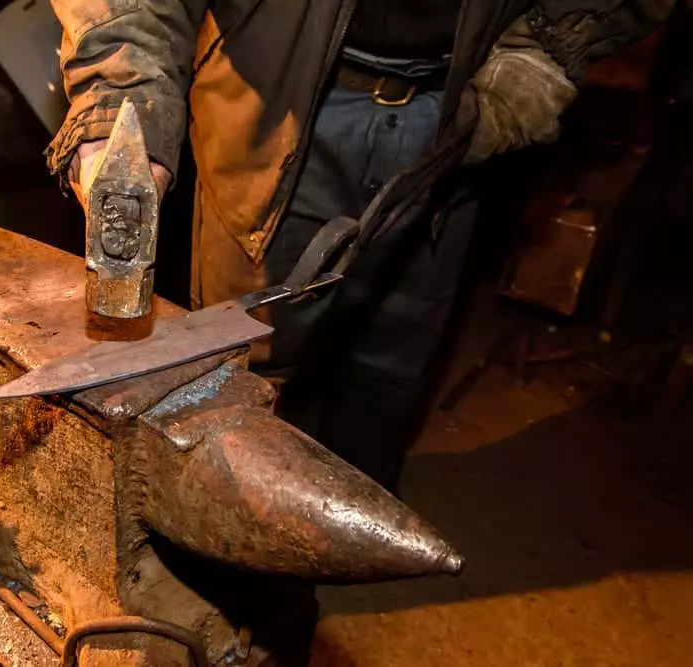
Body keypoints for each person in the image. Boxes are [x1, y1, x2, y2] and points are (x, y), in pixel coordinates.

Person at [46, 0, 672, 489]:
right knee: (240, 368)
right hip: (269, 115)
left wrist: (547, 47)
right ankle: (232, 565)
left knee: (391, 372)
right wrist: (119, 101)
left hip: (456, 110)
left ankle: (344, 536)